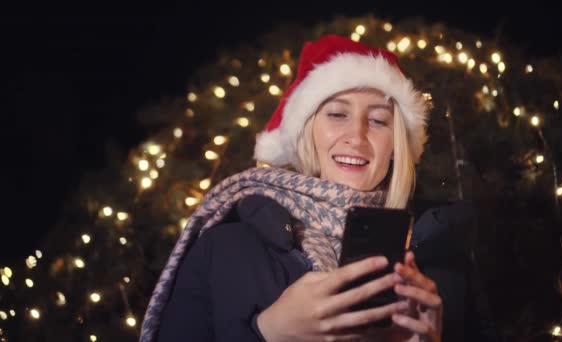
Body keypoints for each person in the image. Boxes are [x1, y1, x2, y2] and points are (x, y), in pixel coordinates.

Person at [140, 34, 497, 341]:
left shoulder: (445, 261)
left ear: (397, 146)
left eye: (377, 120)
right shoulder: (224, 247)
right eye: (337, 114)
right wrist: (266, 333)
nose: (356, 137)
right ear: (307, 130)